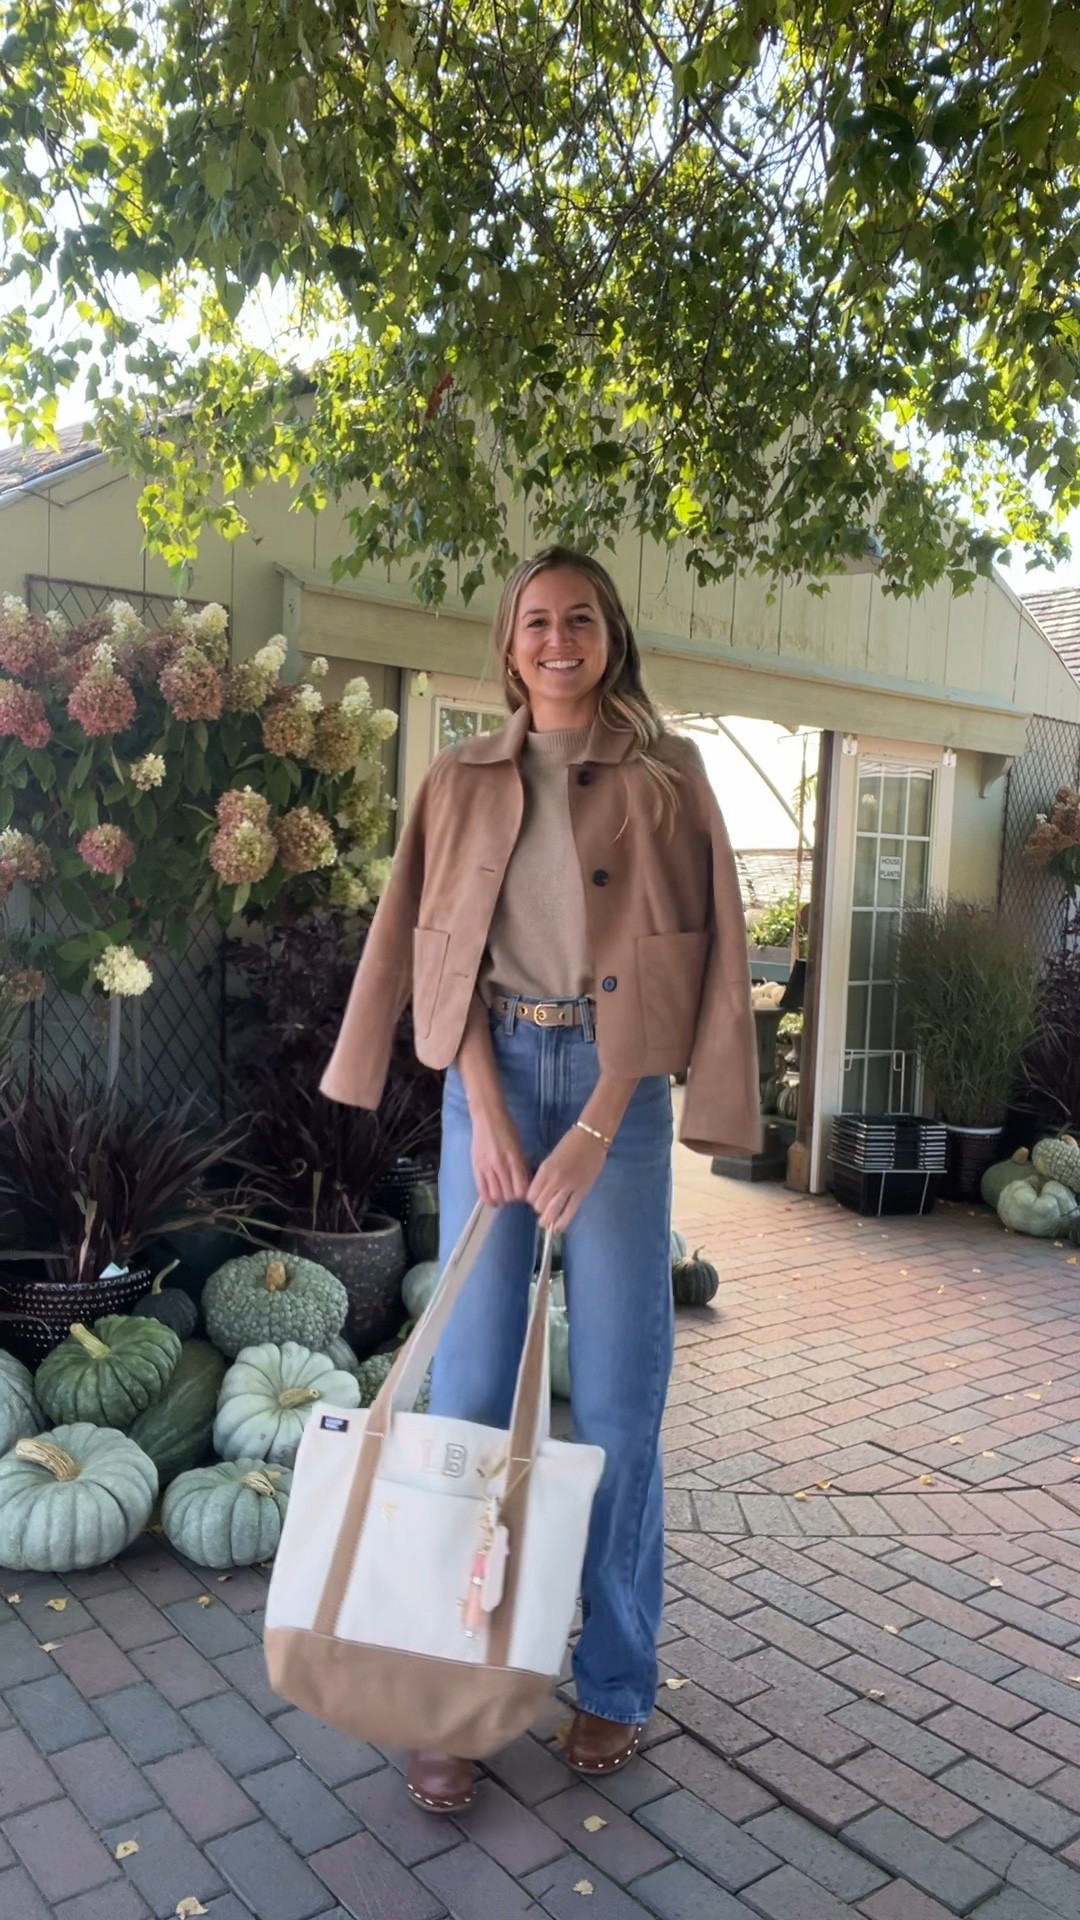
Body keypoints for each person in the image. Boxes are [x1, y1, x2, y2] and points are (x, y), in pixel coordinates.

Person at [322, 546, 759, 1813]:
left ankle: (616, 1682)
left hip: (615, 1101)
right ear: (506, 644)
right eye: (535, 621)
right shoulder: (459, 776)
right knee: (465, 1397)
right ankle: (451, 1695)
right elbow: (431, 945)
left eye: (578, 619)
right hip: (492, 1080)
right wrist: (494, 1114)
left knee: (621, 1400)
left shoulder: (671, 779)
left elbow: (680, 956)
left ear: (608, 636)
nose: (557, 639)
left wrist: (590, 1124)